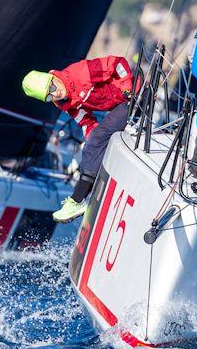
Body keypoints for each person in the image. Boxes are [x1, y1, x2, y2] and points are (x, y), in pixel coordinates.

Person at [22, 55, 135, 223]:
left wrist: (128, 87)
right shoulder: (64, 102)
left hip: (133, 96)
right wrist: (91, 144)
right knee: (92, 143)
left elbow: (116, 63)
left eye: (51, 86)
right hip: (119, 106)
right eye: (48, 96)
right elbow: (85, 121)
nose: (55, 93)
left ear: (52, 76)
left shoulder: (81, 73)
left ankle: (77, 201)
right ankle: (85, 194)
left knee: (95, 141)